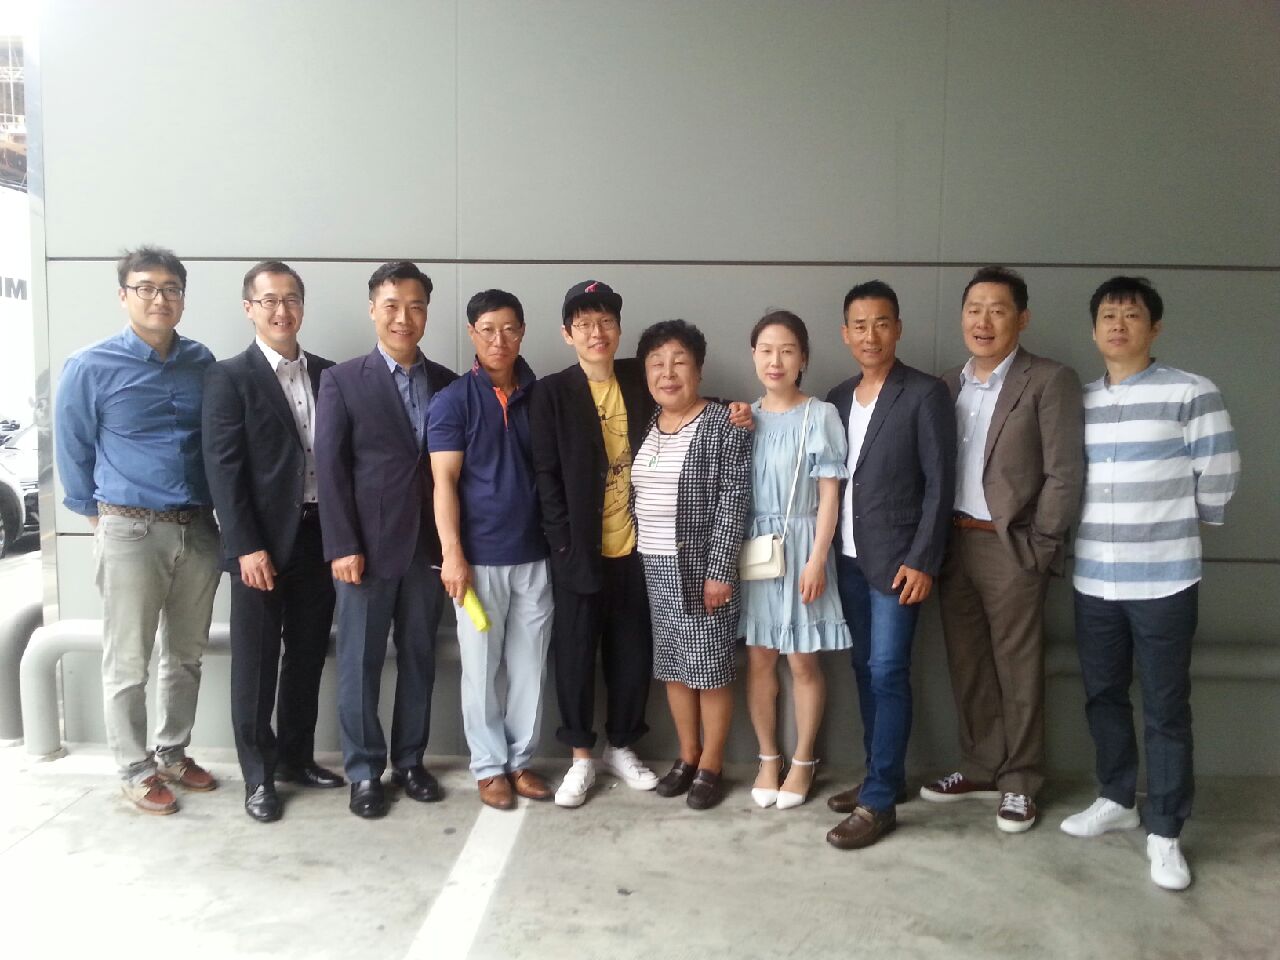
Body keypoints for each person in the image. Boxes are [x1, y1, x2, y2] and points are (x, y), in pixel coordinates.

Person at [1061, 276, 1239, 890]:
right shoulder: (1080, 401)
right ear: (1094, 330)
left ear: (1154, 328)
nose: (1118, 325)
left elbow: (1218, 470)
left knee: (1165, 707)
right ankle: (1117, 797)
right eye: (1108, 316)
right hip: (1094, 577)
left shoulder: (1191, 392)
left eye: (1131, 315)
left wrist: (1184, 524)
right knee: (1103, 694)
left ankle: (1165, 831)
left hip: (1165, 579)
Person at [55, 245, 221, 815]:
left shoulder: (201, 361)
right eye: (146, 288)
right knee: (128, 660)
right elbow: (72, 449)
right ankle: (133, 766)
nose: (159, 298)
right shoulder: (89, 366)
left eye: (171, 288)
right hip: (130, 529)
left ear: (183, 298)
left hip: (198, 528)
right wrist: (102, 517)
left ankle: (172, 752)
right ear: (123, 295)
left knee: (186, 654)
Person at [924, 266, 1084, 833]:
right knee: (967, 663)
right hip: (953, 543)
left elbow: (1064, 473)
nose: (984, 321)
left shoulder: (1049, 379)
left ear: (1022, 318)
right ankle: (980, 764)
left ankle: (1020, 780)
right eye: (974, 309)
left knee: (1018, 668)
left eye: (997, 309)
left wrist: (1041, 546)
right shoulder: (947, 385)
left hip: (1011, 548)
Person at [202, 260, 342, 824]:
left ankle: (296, 758)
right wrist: (245, 546)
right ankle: (258, 776)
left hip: (319, 536)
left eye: (291, 299)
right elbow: (223, 468)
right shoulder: (228, 377)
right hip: (260, 545)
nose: (282, 310)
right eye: (269, 300)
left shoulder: (329, 375)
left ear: (302, 307)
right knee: (256, 663)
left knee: (307, 655)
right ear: (249, 309)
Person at [315, 261, 457, 819]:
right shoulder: (343, 380)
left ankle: (411, 762)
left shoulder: (447, 381)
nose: (404, 317)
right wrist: (341, 544)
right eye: (392, 305)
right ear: (373, 309)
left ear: (427, 312)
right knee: (360, 663)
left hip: (429, 548)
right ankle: (364, 771)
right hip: (366, 552)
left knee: (419, 657)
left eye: (415, 306)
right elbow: (330, 470)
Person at [821, 283, 955, 849]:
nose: (870, 335)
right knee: (863, 669)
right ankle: (886, 777)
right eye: (859, 324)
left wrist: (923, 559)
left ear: (897, 328)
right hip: (849, 559)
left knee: (887, 671)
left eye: (881, 323)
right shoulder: (837, 396)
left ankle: (877, 802)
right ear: (845, 333)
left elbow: (940, 484)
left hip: (899, 562)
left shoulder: (924, 393)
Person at [530, 280, 660, 809]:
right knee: (576, 654)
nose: (596, 332)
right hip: (578, 550)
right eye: (583, 324)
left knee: (632, 652)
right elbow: (545, 476)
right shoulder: (551, 392)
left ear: (619, 328)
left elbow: (686, 400)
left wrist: (734, 409)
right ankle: (581, 756)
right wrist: (563, 545)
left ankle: (621, 745)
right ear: (567, 334)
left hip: (636, 549)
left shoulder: (639, 378)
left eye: (605, 321)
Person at [429, 289, 553, 810]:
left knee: (530, 667)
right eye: (487, 329)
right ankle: (488, 766)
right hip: (477, 562)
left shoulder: (544, 397)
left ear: (522, 332)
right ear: (472, 334)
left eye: (508, 329)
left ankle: (520, 760)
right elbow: (444, 482)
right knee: (479, 669)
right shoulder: (452, 401)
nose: (498, 339)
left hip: (536, 558)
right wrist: (452, 554)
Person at [630, 319, 751, 811]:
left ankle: (711, 765)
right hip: (654, 566)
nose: (668, 372)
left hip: (702, 570)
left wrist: (720, 571)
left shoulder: (723, 423)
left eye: (679, 362)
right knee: (674, 668)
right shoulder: (649, 425)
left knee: (710, 670)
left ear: (698, 370)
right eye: (656, 363)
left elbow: (734, 500)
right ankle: (687, 755)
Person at [739, 310, 851, 811]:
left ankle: (804, 761)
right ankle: (768, 759)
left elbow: (829, 495)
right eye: (766, 350)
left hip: (804, 544)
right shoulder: (743, 417)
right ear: (753, 356)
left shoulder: (819, 415)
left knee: (804, 659)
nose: (775, 360)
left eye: (786, 350)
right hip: (757, 551)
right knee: (760, 658)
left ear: (803, 358)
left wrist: (818, 558)